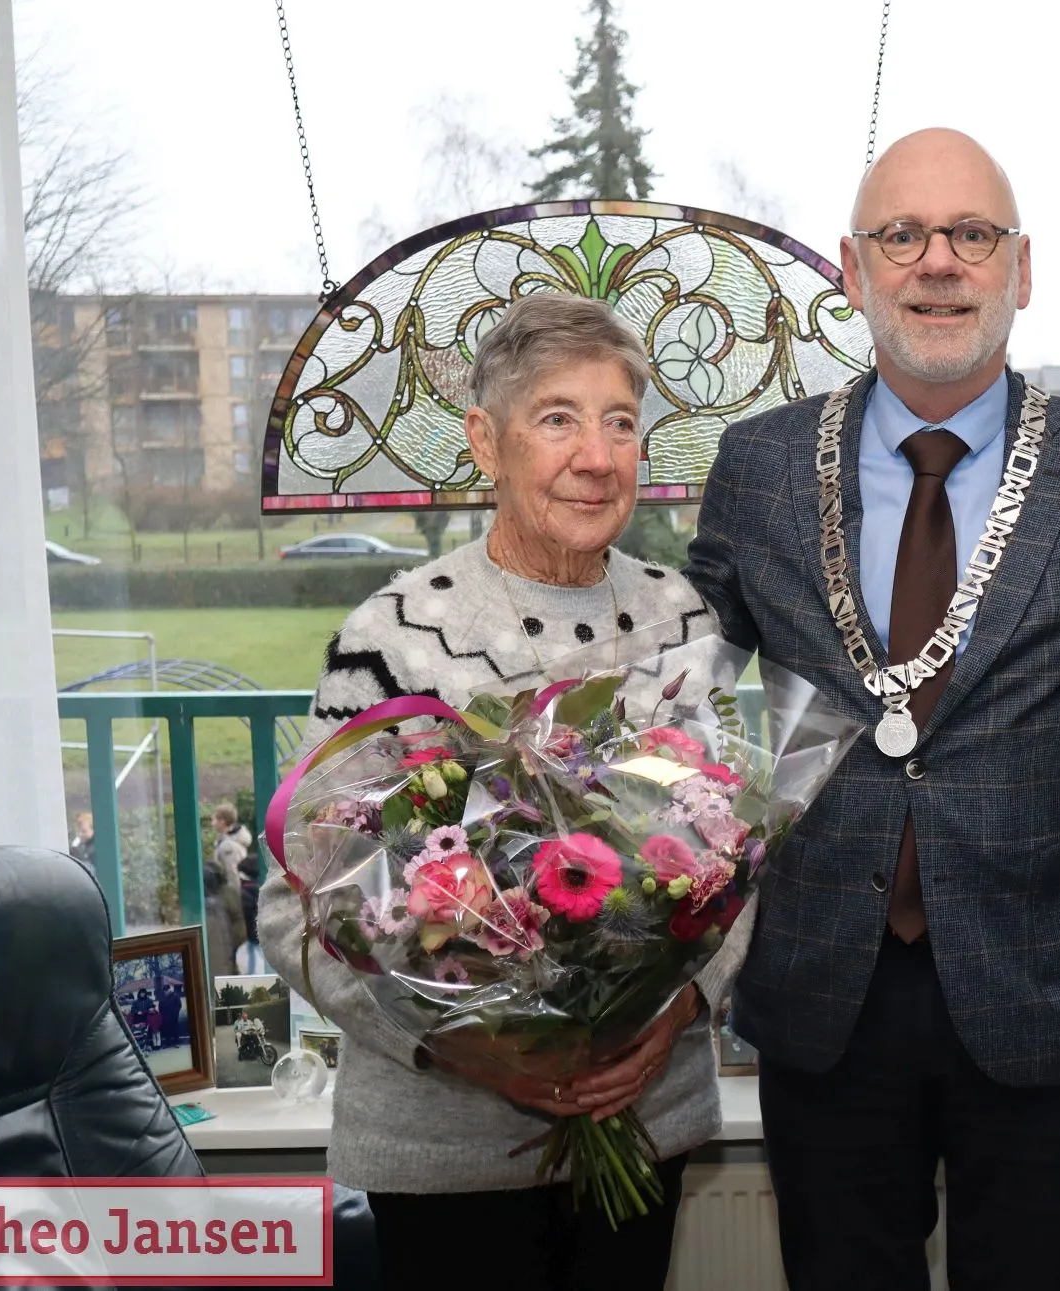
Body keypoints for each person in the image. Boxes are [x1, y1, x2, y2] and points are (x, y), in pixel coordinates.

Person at [683, 127, 1060, 1291]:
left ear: (1020, 269)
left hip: (1043, 995)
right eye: (902, 235)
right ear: (849, 266)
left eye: (971, 235)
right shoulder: (757, 467)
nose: (937, 262)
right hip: (823, 995)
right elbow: (670, 708)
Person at [258, 293, 731, 1291]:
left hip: (638, 1123)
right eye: (556, 418)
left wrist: (680, 1004)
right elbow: (298, 904)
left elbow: (733, 857)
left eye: (620, 422)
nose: (596, 456)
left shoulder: (680, 617)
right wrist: (464, 1050)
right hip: (445, 1152)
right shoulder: (391, 635)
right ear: (485, 441)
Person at [204, 804, 251, 976]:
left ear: (223, 822)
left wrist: (233, 902)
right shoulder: (228, 843)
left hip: (232, 901)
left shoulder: (227, 847)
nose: (212, 823)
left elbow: (233, 876)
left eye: (215, 819)